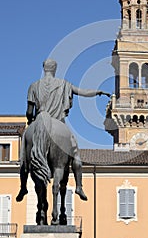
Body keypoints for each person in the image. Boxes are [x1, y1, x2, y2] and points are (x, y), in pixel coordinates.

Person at [16, 59, 110, 202]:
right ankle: (79, 186)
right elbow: (83, 92)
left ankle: (23, 187)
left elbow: (29, 111)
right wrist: (98, 92)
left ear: (44, 68)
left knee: (24, 156)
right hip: (59, 124)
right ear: (54, 69)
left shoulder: (33, 86)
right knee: (75, 153)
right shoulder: (64, 84)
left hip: (38, 121)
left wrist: (31, 122)